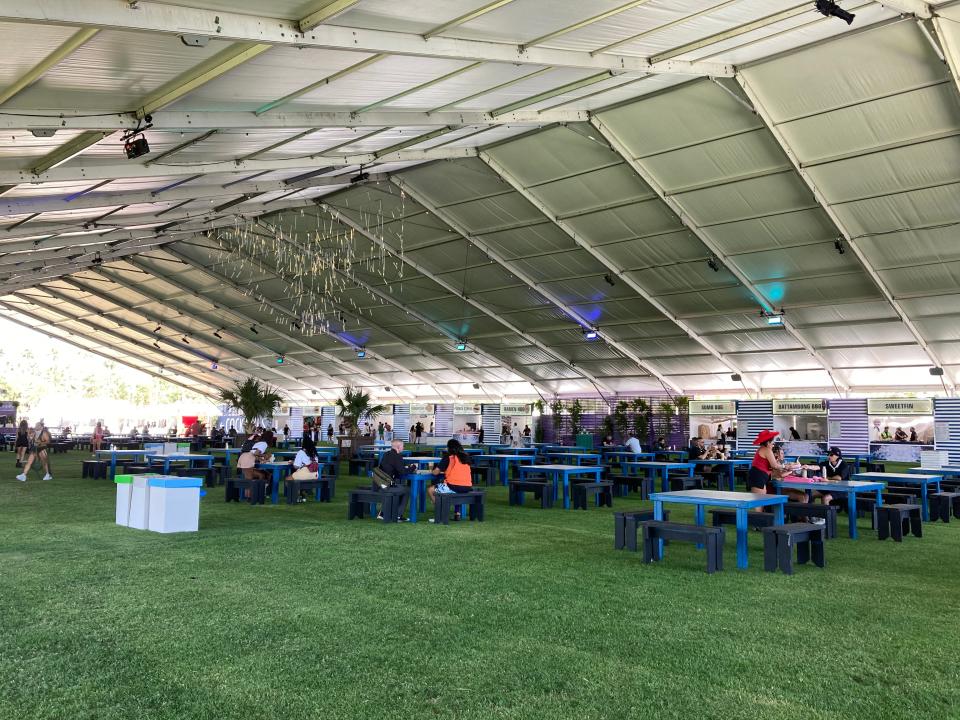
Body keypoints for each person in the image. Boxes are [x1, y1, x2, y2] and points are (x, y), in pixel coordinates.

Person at [428, 439, 473, 519]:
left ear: (449, 448)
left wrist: (431, 469)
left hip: (453, 486)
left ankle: (440, 512)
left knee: (430, 490)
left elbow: (435, 472)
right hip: (467, 486)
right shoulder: (466, 457)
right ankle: (457, 513)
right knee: (456, 492)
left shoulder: (448, 457)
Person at [374, 438, 411, 521]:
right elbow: (402, 472)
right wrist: (413, 467)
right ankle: (397, 515)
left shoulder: (386, 454)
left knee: (400, 488)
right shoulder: (397, 456)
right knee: (407, 489)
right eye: (403, 446)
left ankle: (383, 513)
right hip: (386, 486)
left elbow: (392, 469)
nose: (403, 448)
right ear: (398, 446)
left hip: (379, 484)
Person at [747, 429, 784, 496]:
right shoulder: (766, 450)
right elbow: (774, 465)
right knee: (759, 501)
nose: (773, 444)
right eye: (772, 442)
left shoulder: (763, 448)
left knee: (760, 500)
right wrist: (785, 466)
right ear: (768, 442)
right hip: (758, 475)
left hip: (758, 475)